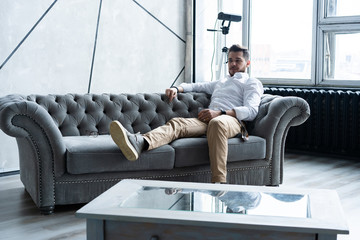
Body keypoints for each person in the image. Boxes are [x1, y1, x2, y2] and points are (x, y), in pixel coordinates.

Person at [109, 44, 263, 183]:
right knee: (178, 123)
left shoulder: (251, 82)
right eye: (230, 60)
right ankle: (140, 142)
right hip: (208, 120)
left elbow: (251, 111)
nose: (233, 64)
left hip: (231, 121)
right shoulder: (221, 82)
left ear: (247, 63)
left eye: (238, 60)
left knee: (217, 123)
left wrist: (220, 112)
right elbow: (197, 86)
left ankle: (219, 182)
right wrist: (177, 88)